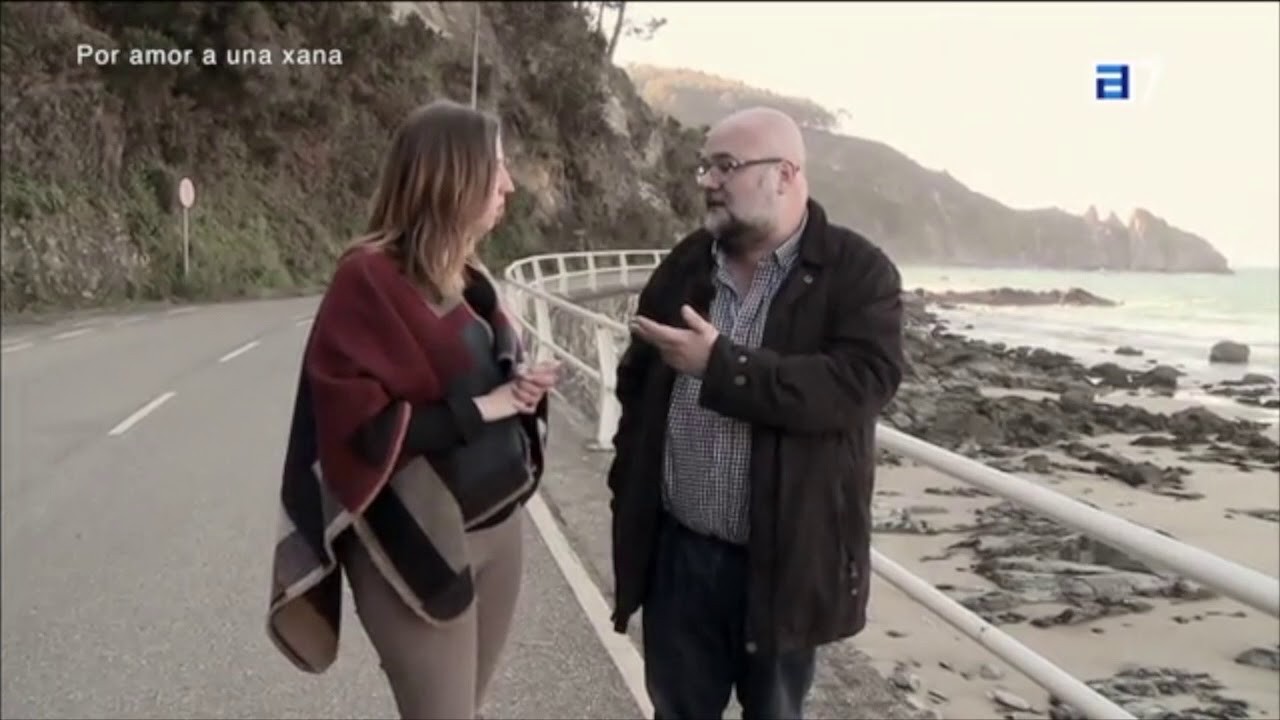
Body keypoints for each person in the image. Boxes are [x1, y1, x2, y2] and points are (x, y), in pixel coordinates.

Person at [607, 107, 906, 720]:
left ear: (785, 175)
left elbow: (859, 384)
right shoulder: (687, 265)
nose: (707, 181)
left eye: (726, 166)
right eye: (705, 166)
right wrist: (627, 492)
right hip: (680, 559)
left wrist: (722, 366)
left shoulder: (857, 273)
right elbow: (637, 383)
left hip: (784, 565)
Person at [265, 99, 560, 720]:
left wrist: (520, 388)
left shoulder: (472, 278)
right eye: (496, 167)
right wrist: (488, 405)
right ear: (452, 175)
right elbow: (362, 434)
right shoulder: (367, 279)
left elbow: (489, 386)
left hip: (498, 528)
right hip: (414, 537)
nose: (508, 183)